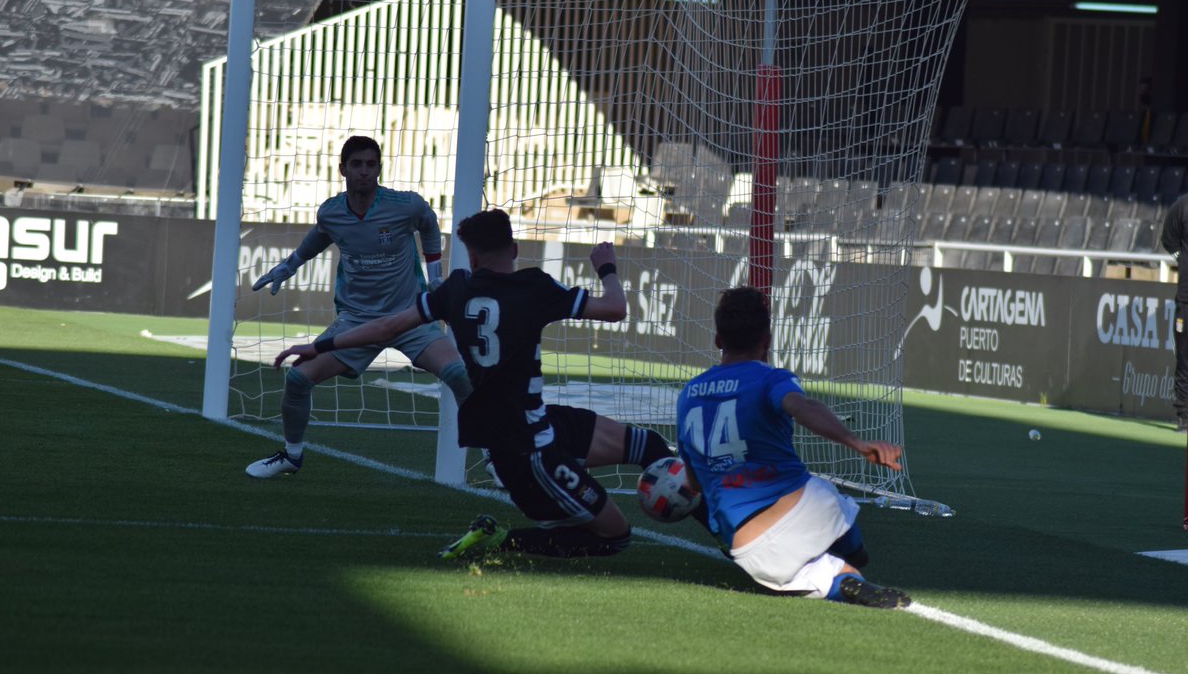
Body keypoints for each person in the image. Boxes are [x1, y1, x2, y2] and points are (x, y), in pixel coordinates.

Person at [274, 209, 671, 558]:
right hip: (529, 451)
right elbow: (615, 308)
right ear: (514, 249)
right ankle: (498, 541)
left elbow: (387, 326)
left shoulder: (457, 290)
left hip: (524, 433)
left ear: (473, 256)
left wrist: (319, 345)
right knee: (616, 537)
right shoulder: (535, 287)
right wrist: (607, 268)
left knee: (648, 444)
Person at [245, 135, 472, 478]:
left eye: (371, 164)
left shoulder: (405, 205)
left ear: (379, 169)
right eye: (357, 164)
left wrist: (436, 276)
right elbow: (321, 233)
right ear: (343, 169)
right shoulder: (332, 212)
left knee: (459, 374)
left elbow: (429, 223)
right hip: (358, 322)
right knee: (298, 379)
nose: (364, 171)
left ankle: (497, 456)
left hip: (410, 317)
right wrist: (290, 265)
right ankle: (291, 456)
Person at [676, 286, 911, 609]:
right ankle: (848, 550)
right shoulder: (771, 379)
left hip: (749, 546)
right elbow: (802, 407)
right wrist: (856, 442)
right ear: (767, 340)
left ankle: (839, 578)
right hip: (807, 510)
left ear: (718, 340)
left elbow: (694, 483)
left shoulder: (688, 394)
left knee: (822, 578)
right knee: (828, 497)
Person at [1160, 195, 1188, 432]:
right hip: (1186, 299)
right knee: (1185, 359)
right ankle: (1184, 415)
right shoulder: (1183, 206)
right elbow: (1168, 239)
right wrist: (1184, 262)